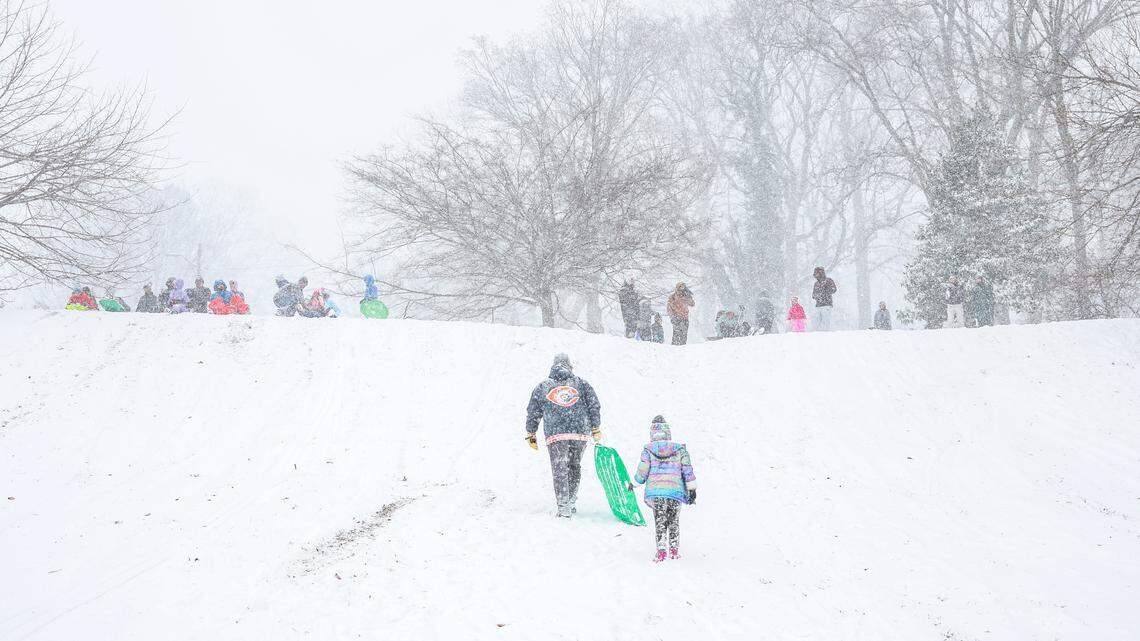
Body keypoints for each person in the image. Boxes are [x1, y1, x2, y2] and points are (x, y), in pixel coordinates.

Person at [525, 354, 602, 518]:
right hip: (579, 433)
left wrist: (531, 432)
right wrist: (595, 427)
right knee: (574, 466)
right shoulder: (582, 384)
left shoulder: (543, 387)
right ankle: (571, 500)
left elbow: (533, 411)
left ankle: (563, 507)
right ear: (570, 366)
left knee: (560, 469)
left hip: (556, 434)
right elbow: (593, 405)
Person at [629, 415, 697, 562]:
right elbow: (687, 470)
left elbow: (643, 470)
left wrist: (634, 483)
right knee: (673, 521)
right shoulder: (680, 450)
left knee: (660, 521)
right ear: (668, 432)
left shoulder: (648, 450)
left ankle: (661, 552)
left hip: (657, 492)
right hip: (675, 492)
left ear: (652, 433)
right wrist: (692, 488)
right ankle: (674, 551)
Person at [811, 267, 838, 331]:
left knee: (825, 321)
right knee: (816, 321)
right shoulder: (816, 284)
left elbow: (834, 289)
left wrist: (826, 290)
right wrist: (816, 296)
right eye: (815, 273)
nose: (815, 275)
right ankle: (815, 333)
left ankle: (825, 334)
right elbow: (813, 295)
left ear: (821, 273)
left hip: (827, 305)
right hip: (818, 305)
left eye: (816, 273)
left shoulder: (828, 280)